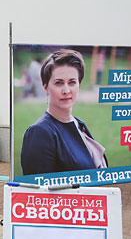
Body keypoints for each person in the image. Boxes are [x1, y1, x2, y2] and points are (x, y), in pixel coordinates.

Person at [20, 47, 108, 176]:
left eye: (72, 82)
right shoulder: (40, 132)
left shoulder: (79, 124)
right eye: (59, 83)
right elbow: (39, 193)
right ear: (45, 88)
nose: (66, 90)